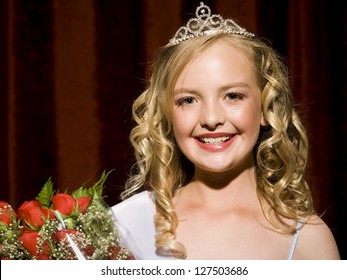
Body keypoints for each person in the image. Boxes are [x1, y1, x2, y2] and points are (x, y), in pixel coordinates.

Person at [112, 2, 340, 260]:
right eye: (188, 100)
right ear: (167, 115)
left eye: (232, 96)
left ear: (265, 108)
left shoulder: (308, 240)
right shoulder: (123, 224)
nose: (211, 119)